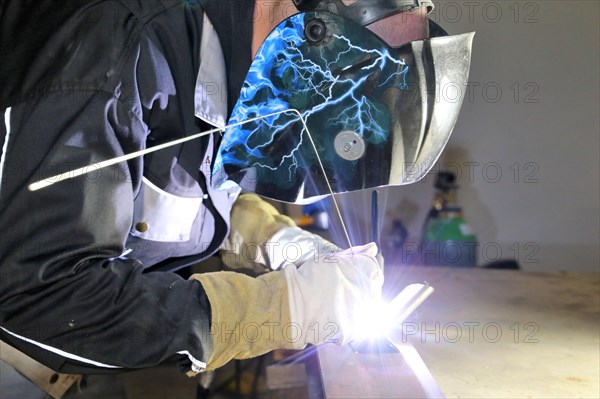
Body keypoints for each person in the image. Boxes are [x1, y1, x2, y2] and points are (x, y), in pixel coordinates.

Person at [0, 0, 464, 379]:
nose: (356, 104)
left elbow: (169, 184)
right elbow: (41, 291)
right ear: (302, 17)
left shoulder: (238, 63)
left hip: (84, 369)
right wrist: (279, 310)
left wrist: (274, 238)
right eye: (357, 67)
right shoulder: (115, 43)